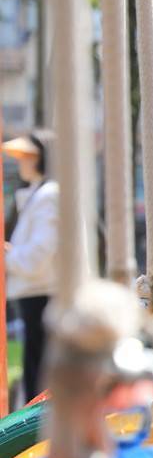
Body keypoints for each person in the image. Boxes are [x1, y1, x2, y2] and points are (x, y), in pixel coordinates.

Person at [2, 133, 59, 403]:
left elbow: (39, 253)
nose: (23, 164)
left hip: (42, 291)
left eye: (29, 157)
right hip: (36, 290)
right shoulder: (40, 193)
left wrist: (9, 257)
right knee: (35, 369)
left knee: (39, 372)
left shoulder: (48, 195)